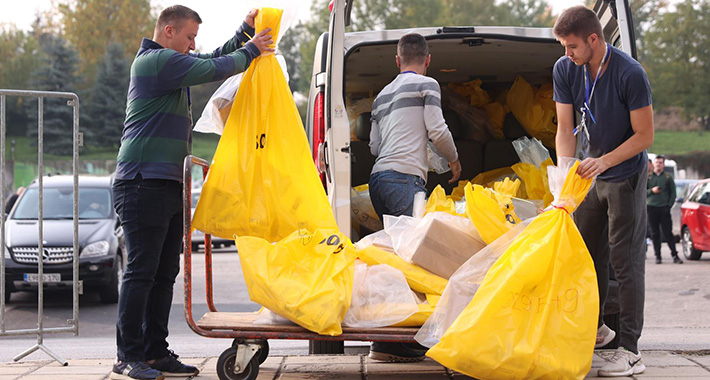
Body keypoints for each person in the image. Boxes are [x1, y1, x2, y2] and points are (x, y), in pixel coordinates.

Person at [110, 6, 273, 380]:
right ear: (169, 31)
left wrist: (244, 32)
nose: (193, 44)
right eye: (189, 37)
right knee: (140, 273)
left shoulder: (172, 64)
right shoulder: (154, 62)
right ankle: (127, 356)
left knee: (164, 273)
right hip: (141, 181)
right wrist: (252, 50)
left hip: (166, 183)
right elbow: (211, 68)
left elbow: (213, 58)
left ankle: (154, 352)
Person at [552, 6, 653, 378]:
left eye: (573, 46)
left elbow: (645, 136)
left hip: (623, 174)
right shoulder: (565, 69)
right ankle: (597, 330)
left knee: (625, 263)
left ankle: (630, 350)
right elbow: (565, 128)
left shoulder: (630, 73)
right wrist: (565, 175)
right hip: (588, 176)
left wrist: (605, 162)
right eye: (564, 46)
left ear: (594, 39)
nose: (568, 53)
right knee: (584, 256)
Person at [367, 33, 461, 362]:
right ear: (428, 59)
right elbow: (437, 129)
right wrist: (453, 160)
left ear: (397, 61)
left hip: (378, 180)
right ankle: (396, 342)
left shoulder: (380, 96)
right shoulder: (427, 84)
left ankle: (388, 340)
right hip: (405, 180)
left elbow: (375, 148)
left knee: (395, 258)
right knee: (413, 260)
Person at [647, 155, 682, 264]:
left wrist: (669, 205)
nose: (658, 164)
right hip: (651, 208)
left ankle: (675, 255)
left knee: (668, 233)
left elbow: (673, 193)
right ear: (653, 164)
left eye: (660, 162)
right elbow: (643, 192)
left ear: (663, 164)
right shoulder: (648, 177)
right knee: (654, 233)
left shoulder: (667, 177)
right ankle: (658, 256)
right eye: (657, 162)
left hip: (664, 208)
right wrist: (652, 191)